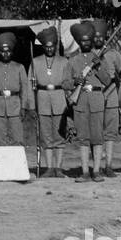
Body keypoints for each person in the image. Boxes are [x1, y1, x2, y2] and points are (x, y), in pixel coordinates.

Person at [63, 21, 106, 182]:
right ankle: (85, 172)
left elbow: (107, 80)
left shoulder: (98, 59)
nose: (86, 43)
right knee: (83, 138)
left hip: (96, 100)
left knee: (97, 137)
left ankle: (96, 171)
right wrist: (76, 81)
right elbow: (65, 83)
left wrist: (98, 67)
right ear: (79, 43)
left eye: (88, 41)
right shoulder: (72, 61)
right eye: (83, 41)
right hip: (80, 100)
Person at [29, 25, 69, 178]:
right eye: (47, 46)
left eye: (52, 46)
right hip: (42, 99)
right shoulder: (35, 62)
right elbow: (29, 84)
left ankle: (58, 168)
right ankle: (49, 168)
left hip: (60, 99)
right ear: (44, 47)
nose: (50, 49)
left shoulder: (64, 61)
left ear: (55, 46)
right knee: (46, 137)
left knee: (59, 136)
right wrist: (32, 105)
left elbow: (68, 83)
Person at [0, 31, 31, 148]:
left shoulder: (19, 67)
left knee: (17, 138)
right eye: (3, 52)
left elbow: (25, 88)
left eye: (8, 51)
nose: (5, 54)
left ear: (12, 52)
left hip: (15, 106)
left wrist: (24, 107)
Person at [93, 18, 121, 177]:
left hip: (111, 94)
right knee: (96, 133)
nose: (98, 39)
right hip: (95, 95)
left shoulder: (113, 54)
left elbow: (120, 70)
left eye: (101, 36)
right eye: (96, 36)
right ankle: (96, 167)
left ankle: (109, 165)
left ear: (106, 37)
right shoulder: (88, 54)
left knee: (110, 133)